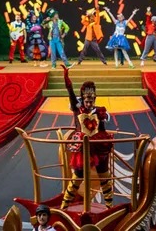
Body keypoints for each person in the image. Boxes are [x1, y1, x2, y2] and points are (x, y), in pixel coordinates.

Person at [60, 63, 116, 208]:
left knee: (104, 176)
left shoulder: (100, 111)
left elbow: (103, 126)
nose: (89, 103)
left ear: (95, 99)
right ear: (83, 100)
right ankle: (64, 205)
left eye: (91, 101)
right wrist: (66, 78)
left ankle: (109, 206)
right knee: (77, 177)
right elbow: (70, 93)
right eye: (87, 101)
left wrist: (104, 136)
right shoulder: (78, 109)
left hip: (99, 146)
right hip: (83, 148)